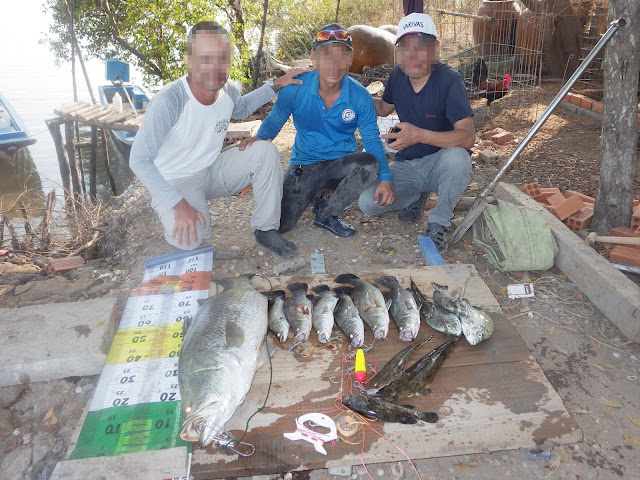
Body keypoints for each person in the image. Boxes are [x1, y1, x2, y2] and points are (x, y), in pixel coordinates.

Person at [129, 21, 307, 257]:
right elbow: (139, 160)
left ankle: (266, 229)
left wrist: (275, 85)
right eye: (206, 58)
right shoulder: (170, 99)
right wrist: (177, 204)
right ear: (189, 60)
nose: (215, 67)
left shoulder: (228, 89)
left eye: (222, 58)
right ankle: (176, 208)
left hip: (212, 170)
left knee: (265, 151)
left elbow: (242, 109)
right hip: (176, 181)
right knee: (191, 242)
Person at [239, 23, 395, 237]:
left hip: (342, 165)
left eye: (342, 56)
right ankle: (316, 193)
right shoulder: (295, 87)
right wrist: (259, 139)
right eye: (326, 54)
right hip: (304, 163)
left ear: (350, 60)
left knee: (368, 164)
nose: (334, 63)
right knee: (282, 225)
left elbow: (372, 141)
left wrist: (385, 178)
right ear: (314, 56)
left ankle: (328, 213)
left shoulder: (360, 96)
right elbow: (275, 120)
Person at [358, 13, 475, 252]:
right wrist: (353, 95)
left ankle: (439, 222)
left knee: (458, 158)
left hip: (440, 164)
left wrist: (419, 135)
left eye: (420, 47)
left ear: (435, 48)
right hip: (408, 164)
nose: (412, 55)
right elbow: (383, 107)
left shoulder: (449, 81)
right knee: (368, 203)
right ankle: (417, 196)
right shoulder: (398, 76)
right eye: (405, 48)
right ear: (397, 51)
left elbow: (467, 137)